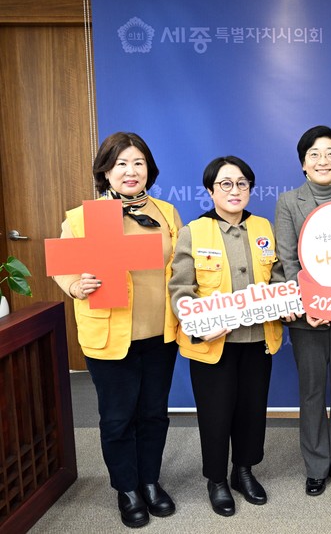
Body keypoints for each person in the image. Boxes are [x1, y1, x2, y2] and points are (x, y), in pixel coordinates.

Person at [54, 132, 182, 528]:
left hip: (160, 334)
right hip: (110, 336)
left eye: (138, 163)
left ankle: (150, 482)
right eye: (121, 163)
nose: (131, 171)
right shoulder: (83, 217)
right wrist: (75, 286)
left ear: (149, 170)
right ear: (105, 171)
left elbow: (182, 265)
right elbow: (63, 267)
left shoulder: (166, 213)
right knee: (117, 418)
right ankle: (126, 489)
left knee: (154, 414)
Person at [169, 156, 283, 517]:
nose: (235, 191)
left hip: (258, 340)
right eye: (226, 184)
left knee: (252, 411)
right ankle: (216, 479)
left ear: (250, 189)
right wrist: (198, 323)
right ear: (210, 190)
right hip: (213, 345)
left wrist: (285, 298)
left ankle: (243, 471)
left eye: (242, 184)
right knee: (216, 415)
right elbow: (180, 289)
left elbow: (278, 276)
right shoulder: (193, 231)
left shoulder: (263, 227)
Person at [274, 126, 331, 496]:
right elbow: (287, 259)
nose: (323, 160)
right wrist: (308, 306)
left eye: (330, 153)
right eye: (314, 154)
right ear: (303, 163)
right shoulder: (288, 202)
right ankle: (316, 466)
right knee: (312, 393)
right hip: (306, 318)